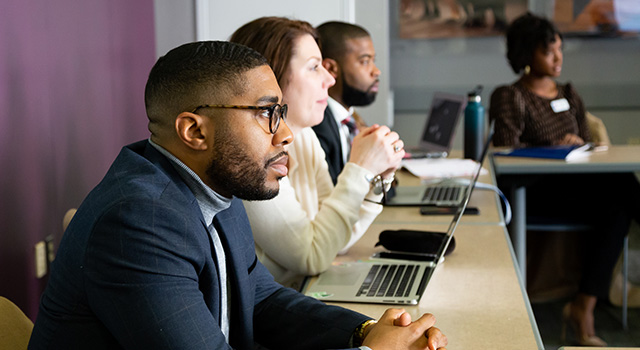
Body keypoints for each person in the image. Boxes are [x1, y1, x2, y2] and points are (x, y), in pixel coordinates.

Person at [28, 40, 447, 350]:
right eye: (267, 113)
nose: (285, 134)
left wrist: (363, 332)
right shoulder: (139, 220)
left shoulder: (213, 185)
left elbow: (260, 299)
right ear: (194, 131)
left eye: (281, 113)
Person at [490, 12, 639, 347]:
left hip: (577, 188)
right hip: (535, 192)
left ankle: (582, 307)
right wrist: (553, 147)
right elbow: (505, 151)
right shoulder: (510, 95)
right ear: (527, 55)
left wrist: (578, 145)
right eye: (548, 51)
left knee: (620, 203)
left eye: (559, 49)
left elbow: (589, 144)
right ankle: (582, 315)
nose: (558, 58)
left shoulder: (569, 92)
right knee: (626, 189)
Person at [230, 17, 405, 288]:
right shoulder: (251, 157)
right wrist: (360, 169)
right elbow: (312, 256)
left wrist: (376, 182)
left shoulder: (305, 137)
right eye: (314, 67)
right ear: (271, 79)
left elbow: (332, 239)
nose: (329, 78)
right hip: (272, 322)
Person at [312, 21, 381, 184]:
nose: (376, 71)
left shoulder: (351, 119)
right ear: (330, 69)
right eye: (365, 61)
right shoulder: (318, 124)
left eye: (373, 60)